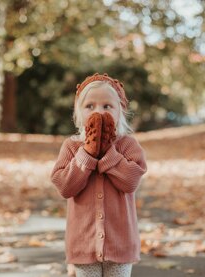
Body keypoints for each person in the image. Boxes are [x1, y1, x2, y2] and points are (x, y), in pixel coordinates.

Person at [50, 72, 147, 277]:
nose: (99, 112)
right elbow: (65, 187)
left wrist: (107, 152)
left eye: (107, 106)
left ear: (120, 111)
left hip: (120, 244)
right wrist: (88, 153)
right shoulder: (71, 147)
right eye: (90, 106)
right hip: (83, 244)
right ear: (78, 113)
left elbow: (130, 182)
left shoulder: (128, 146)